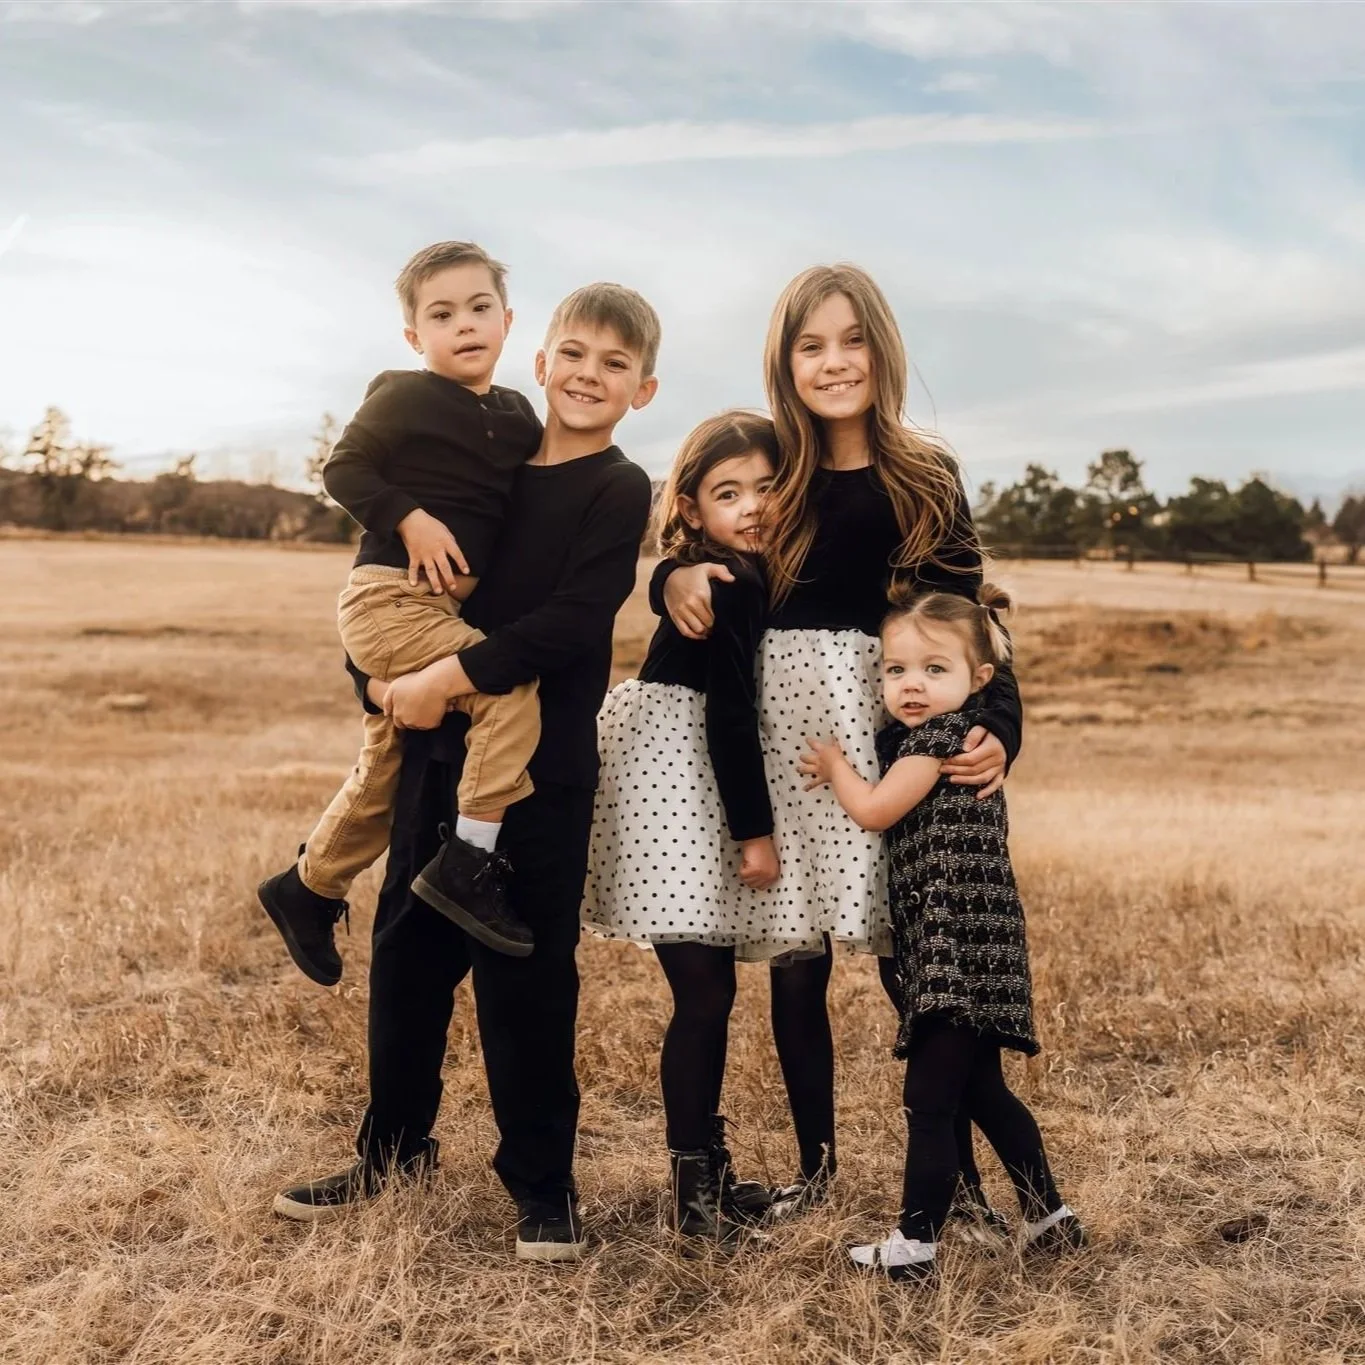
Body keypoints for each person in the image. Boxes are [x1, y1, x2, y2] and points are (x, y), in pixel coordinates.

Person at [271, 283, 659, 1264]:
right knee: (405, 966)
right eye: (575, 354)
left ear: (640, 391)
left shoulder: (618, 487)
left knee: (526, 984)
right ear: (541, 363)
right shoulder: (485, 470)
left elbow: (574, 619)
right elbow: (391, 583)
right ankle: (391, 1151)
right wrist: (382, 677)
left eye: (615, 365)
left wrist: (453, 672)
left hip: (544, 771)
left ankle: (542, 1187)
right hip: (437, 760)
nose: (588, 376)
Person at [650, 263, 1022, 1227]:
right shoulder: (781, 471)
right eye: (809, 344)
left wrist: (998, 731)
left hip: (896, 743)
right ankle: (816, 1170)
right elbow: (709, 547)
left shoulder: (924, 473)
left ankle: (966, 1184)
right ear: (783, 361)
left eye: (850, 339)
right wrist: (669, 578)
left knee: (919, 965)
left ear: (881, 348)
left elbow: (969, 620)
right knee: (797, 958)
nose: (832, 361)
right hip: (785, 742)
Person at [257, 240, 544, 981]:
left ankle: (307, 886)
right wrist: (410, 517)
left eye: (480, 308)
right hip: (391, 594)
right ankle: (469, 863)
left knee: (386, 764)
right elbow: (342, 466)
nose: (465, 324)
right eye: (442, 315)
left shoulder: (517, 417)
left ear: (508, 320)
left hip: (427, 611)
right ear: (416, 337)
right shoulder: (404, 394)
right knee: (506, 690)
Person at [799, 585, 1084, 1283]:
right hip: (979, 943)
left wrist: (835, 766)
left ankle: (914, 1245)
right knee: (983, 1089)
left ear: (978, 680)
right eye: (895, 671)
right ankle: (1049, 1216)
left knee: (929, 1100)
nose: (911, 685)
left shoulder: (939, 740)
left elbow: (872, 809)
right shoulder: (939, 737)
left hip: (953, 950)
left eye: (933, 669)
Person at [582, 410, 780, 1251]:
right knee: (703, 994)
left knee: (708, 993)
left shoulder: (739, 572)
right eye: (728, 492)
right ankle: (695, 1193)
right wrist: (754, 833)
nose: (753, 506)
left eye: (767, 487)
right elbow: (731, 716)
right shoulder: (723, 582)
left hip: (683, 784)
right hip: (679, 790)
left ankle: (705, 1174)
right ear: (692, 510)